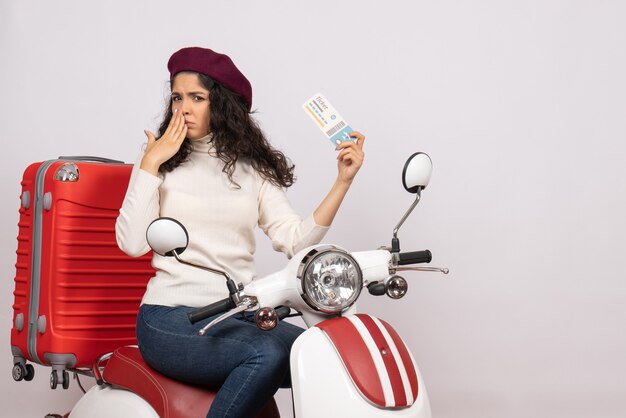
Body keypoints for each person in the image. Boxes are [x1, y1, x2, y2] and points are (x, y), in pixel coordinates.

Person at [115, 46, 365, 418]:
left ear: (223, 104)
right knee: (267, 353)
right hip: (170, 317)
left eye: (197, 98)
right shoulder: (159, 163)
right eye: (177, 98)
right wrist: (151, 162)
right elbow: (132, 243)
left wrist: (342, 182)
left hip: (239, 314)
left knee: (324, 354)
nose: (183, 108)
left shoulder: (252, 170)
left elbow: (294, 240)